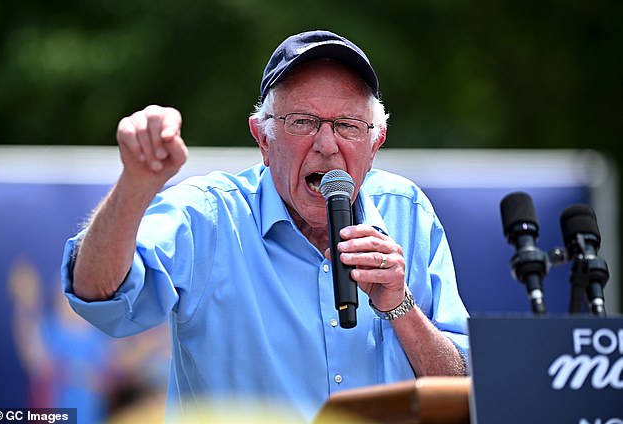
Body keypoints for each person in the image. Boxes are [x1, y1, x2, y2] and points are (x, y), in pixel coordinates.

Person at [61, 30, 469, 422]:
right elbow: (100, 297)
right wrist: (136, 186)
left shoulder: (408, 212)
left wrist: (401, 307)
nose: (327, 145)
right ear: (263, 139)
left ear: (375, 143)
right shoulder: (208, 216)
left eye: (347, 126)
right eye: (303, 122)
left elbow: (464, 389)